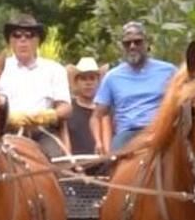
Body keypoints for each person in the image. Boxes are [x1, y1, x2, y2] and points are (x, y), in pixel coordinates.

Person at [0, 13, 71, 160]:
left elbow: (66, 108)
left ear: (38, 41)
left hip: (42, 132)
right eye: (17, 35)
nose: (23, 40)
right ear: (10, 41)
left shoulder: (55, 70)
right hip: (6, 131)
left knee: (56, 165)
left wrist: (47, 116)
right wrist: (7, 117)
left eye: (29, 35)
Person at [94, 21, 178, 154]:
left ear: (147, 43)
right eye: (127, 43)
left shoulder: (169, 71)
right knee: (113, 165)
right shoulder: (112, 77)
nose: (132, 46)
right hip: (127, 134)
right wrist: (99, 142)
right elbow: (97, 115)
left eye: (137, 42)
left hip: (160, 130)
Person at [66, 56, 105, 158]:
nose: (88, 83)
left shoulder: (106, 110)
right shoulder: (68, 109)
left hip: (104, 165)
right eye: (83, 79)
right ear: (76, 83)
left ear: (98, 82)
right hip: (75, 167)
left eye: (92, 78)